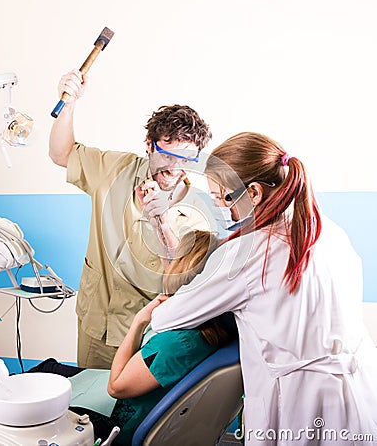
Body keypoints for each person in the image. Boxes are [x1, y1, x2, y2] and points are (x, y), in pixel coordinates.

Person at [151, 132, 377, 445]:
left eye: (222, 198)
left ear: (254, 193)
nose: (221, 210)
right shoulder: (331, 232)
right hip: (361, 395)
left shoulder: (249, 253)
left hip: (300, 409)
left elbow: (164, 319)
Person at [49, 69, 216, 369]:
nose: (175, 167)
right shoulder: (114, 169)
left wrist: (162, 221)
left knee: (131, 414)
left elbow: (181, 282)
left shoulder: (198, 213)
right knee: (86, 409)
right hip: (94, 323)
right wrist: (70, 103)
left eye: (187, 159)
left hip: (144, 336)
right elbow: (62, 154)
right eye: (167, 153)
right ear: (150, 144)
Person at [29, 230, 235, 445]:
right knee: (48, 367)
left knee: (36, 380)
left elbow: (115, 387)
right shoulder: (213, 324)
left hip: (118, 417)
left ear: (181, 267)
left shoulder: (178, 342)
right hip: (139, 392)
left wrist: (139, 322)